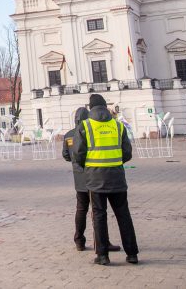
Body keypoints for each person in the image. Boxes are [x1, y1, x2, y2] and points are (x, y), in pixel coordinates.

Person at [72, 94, 139, 265]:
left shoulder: (85, 126)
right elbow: (127, 152)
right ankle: (132, 254)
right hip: (117, 176)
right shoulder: (118, 126)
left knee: (99, 215)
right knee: (123, 214)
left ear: (90, 108)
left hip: (95, 178)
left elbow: (78, 154)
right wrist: (115, 162)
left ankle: (102, 255)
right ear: (105, 107)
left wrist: (89, 165)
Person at [62, 106, 120, 253]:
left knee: (81, 210)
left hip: (78, 179)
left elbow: (66, 155)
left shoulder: (68, 135)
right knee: (98, 212)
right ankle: (102, 242)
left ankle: (79, 240)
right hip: (93, 176)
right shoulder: (88, 131)